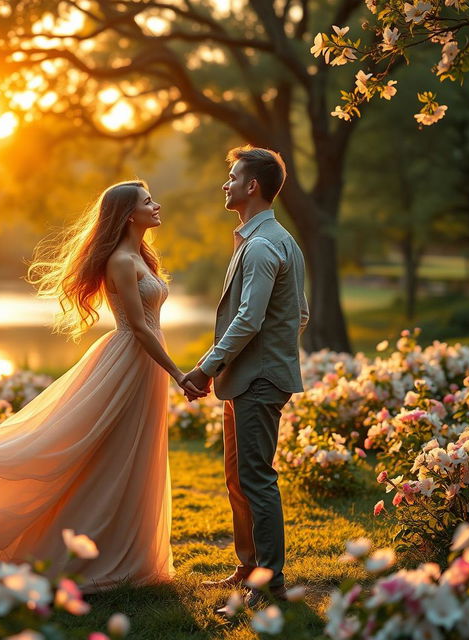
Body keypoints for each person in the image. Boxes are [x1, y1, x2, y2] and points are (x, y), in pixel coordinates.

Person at [0, 180, 203, 591]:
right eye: (147, 202)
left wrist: (169, 372)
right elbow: (139, 326)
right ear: (127, 214)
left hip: (145, 365)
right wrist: (179, 374)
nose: (156, 205)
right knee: (102, 452)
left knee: (133, 454)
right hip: (128, 359)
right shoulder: (121, 260)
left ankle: (132, 556)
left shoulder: (140, 256)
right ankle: (81, 550)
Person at [183, 146, 309, 609]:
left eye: (233, 177)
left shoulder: (260, 245)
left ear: (251, 186)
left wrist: (205, 367)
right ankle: (247, 564)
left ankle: (268, 581)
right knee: (237, 478)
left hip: (257, 380)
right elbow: (300, 313)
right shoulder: (281, 240)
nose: (227, 184)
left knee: (255, 479)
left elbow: (249, 320)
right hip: (251, 377)